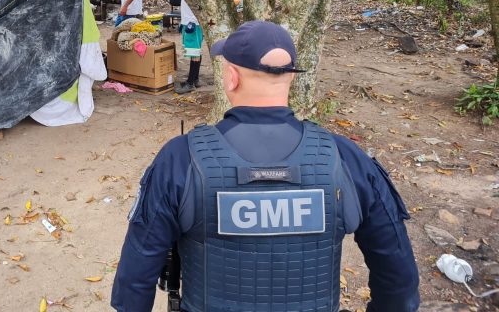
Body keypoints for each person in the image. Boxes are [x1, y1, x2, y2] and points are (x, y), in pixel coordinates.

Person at [111, 20, 419, 312]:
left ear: (231, 77)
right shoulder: (346, 159)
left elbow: (136, 276)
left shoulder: (180, 158)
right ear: (292, 78)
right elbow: (398, 279)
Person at [175, 0, 202, 94]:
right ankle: (194, 78)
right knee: (193, 50)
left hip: (193, 20)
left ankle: (191, 82)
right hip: (187, 18)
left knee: (194, 51)